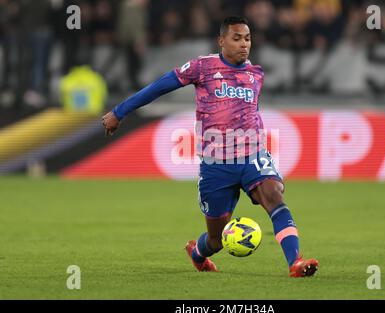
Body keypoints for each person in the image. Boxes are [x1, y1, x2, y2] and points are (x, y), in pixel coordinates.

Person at [102, 16, 319, 278]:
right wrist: (119, 112)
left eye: (247, 39)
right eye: (237, 38)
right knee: (216, 240)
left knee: (274, 197)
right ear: (221, 41)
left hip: (252, 155)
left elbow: (252, 113)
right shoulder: (202, 67)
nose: (243, 44)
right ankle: (198, 253)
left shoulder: (255, 74)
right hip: (216, 163)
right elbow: (158, 88)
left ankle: (295, 262)